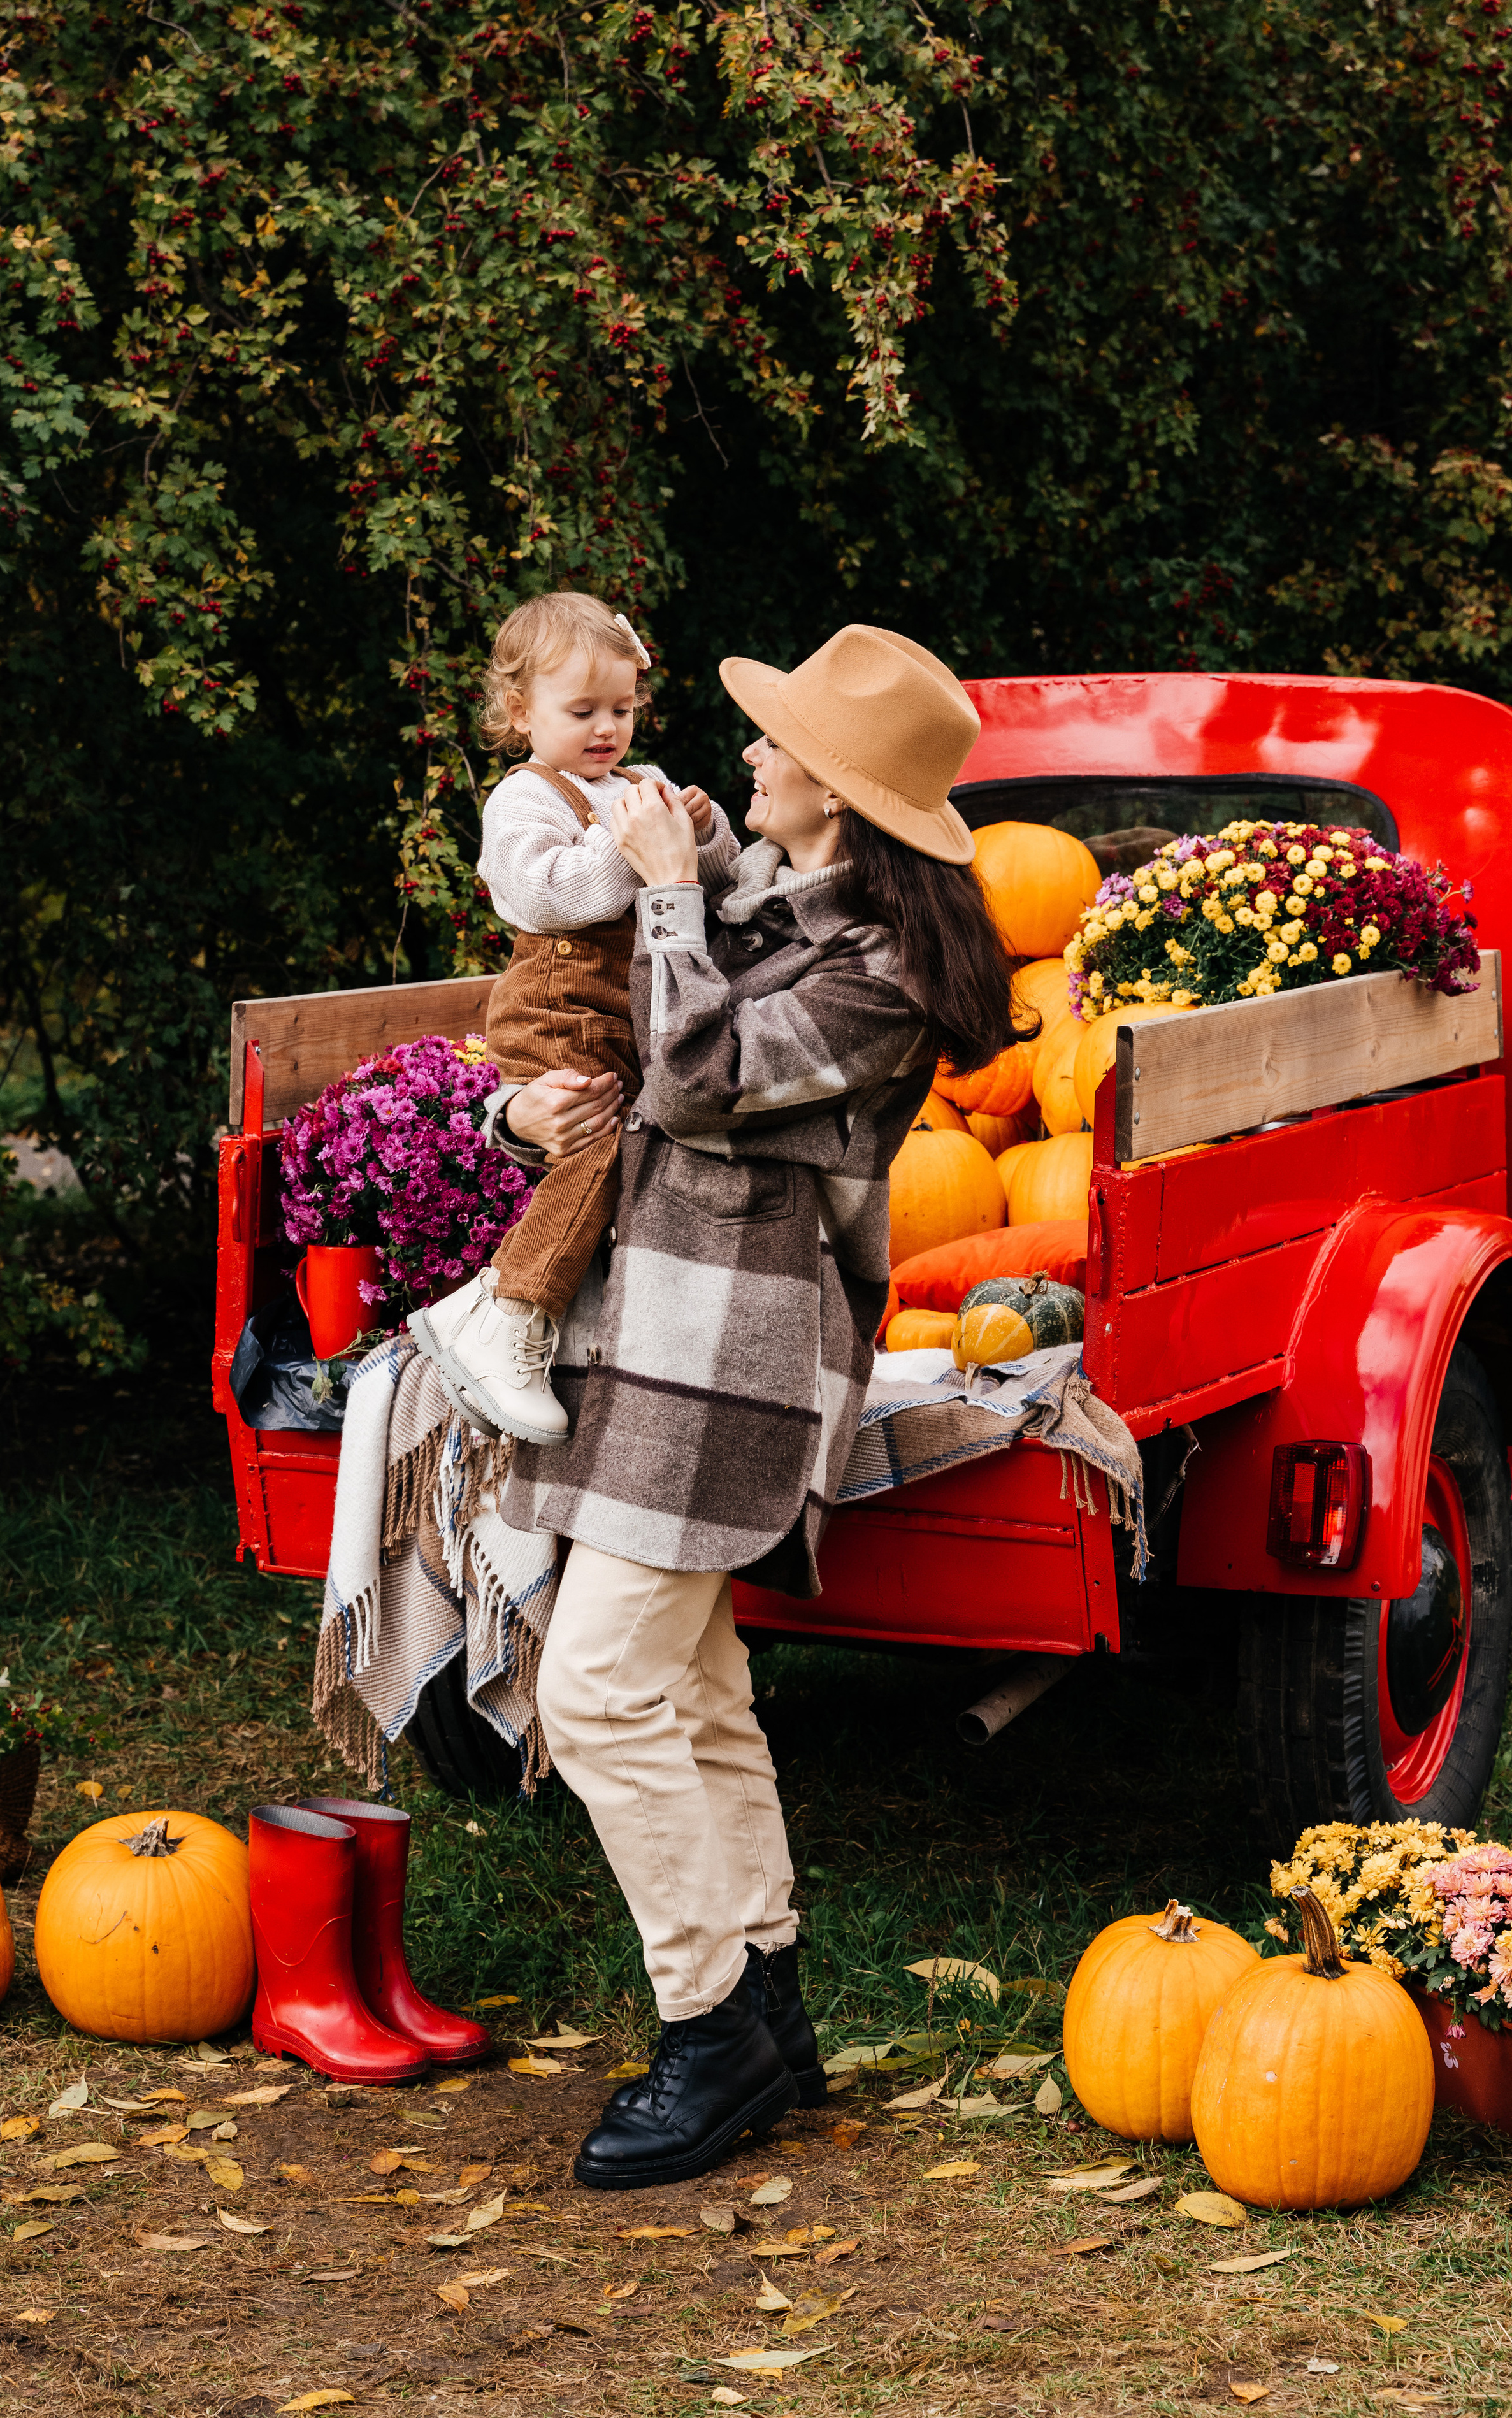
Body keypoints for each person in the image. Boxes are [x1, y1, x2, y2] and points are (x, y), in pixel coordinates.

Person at [494, 624, 1019, 2186]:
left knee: (595, 1692)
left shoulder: (885, 973)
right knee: (696, 1682)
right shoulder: (767, 900)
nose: (745, 757)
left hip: (733, 1363)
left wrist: (659, 890)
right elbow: (599, 1037)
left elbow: (697, 1077)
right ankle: (767, 2000)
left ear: (838, 796)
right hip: (653, 1332)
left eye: (775, 743)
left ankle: (705, 2027)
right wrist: (516, 1096)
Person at [417, 591, 738, 1443]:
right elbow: (554, 896)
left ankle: (571, 1330)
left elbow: (717, 877)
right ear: (522, 713)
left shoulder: (644, 784)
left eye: (623, 709)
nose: (608, 729)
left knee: (633, 1154)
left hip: (627, 1013)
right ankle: (508, 1314)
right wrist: (634, 841)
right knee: (597, 1150)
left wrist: (699, 833)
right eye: (583, 710)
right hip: (559, 1007)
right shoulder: (524, 800)